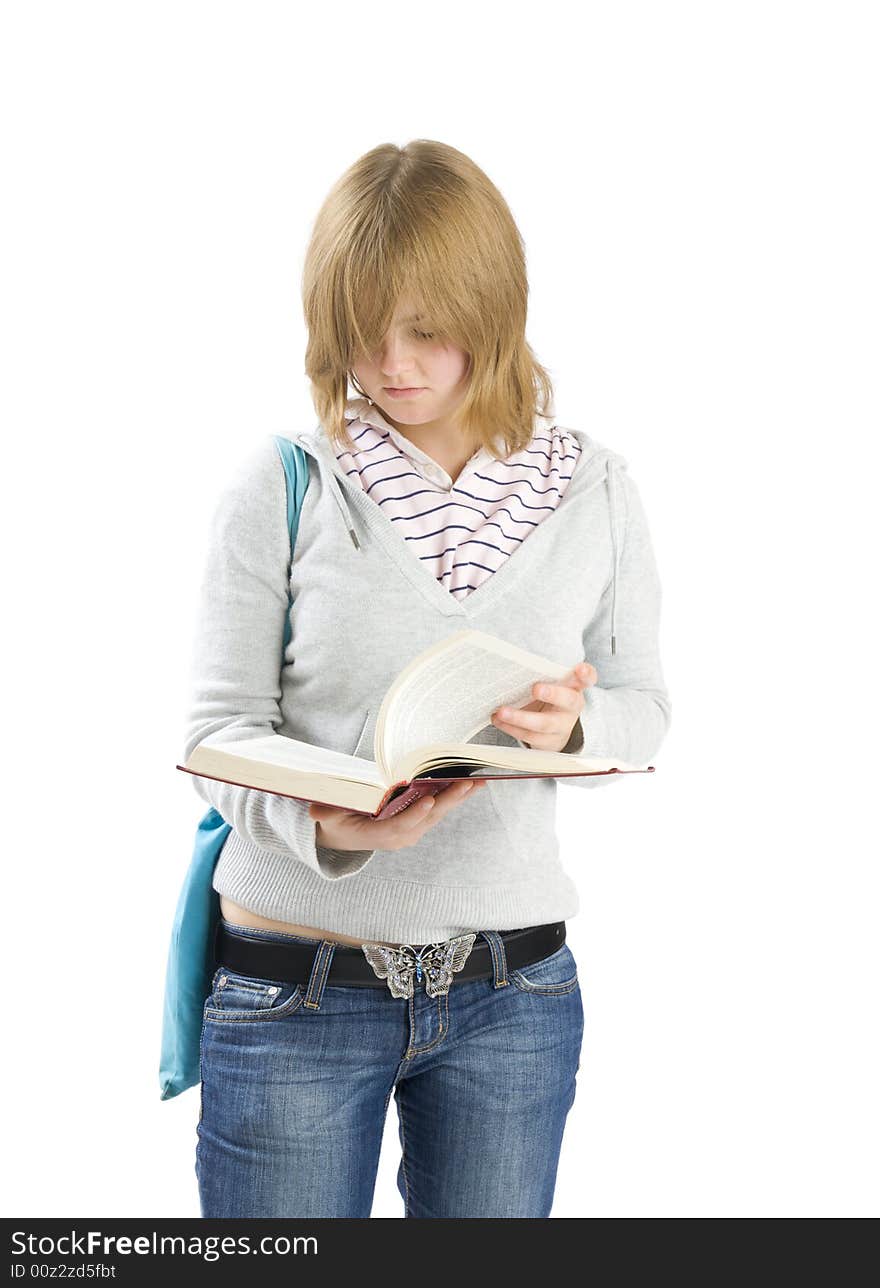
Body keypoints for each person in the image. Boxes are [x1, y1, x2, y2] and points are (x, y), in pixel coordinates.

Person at [184, 138, 672, 1218]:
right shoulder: (286, 482)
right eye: (358, 333)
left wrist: (572, 725)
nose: (389, 363)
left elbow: (643, 703)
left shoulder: (592, 488)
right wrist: (336, 822)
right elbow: (219, 731)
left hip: (515, 992)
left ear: (491, 308)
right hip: (295, 989)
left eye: (424, 329)